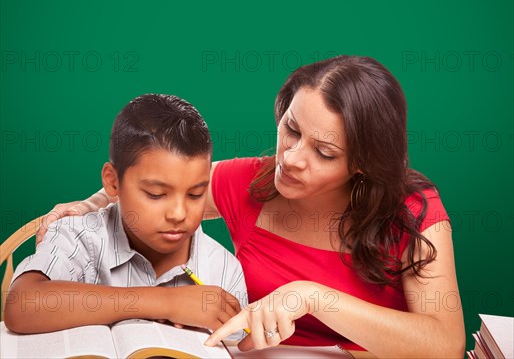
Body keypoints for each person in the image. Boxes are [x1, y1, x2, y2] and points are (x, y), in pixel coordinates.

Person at [35, 56, 465, 357]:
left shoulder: (413, 208)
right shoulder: (253, 181)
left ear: (363, 165)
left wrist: (311, 297)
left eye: (325, 152)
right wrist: (88, 205)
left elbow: (445, 344)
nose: (291, 157)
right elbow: (154, 191)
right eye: (291, 129)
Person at [5, 94, 247, 334]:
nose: (178, 214)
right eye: (155, 194)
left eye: (195, 194)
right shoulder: (80, 236)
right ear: (113, 182)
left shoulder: (224, 269)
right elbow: (21, 305)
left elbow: (238, 349)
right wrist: (166, 302)